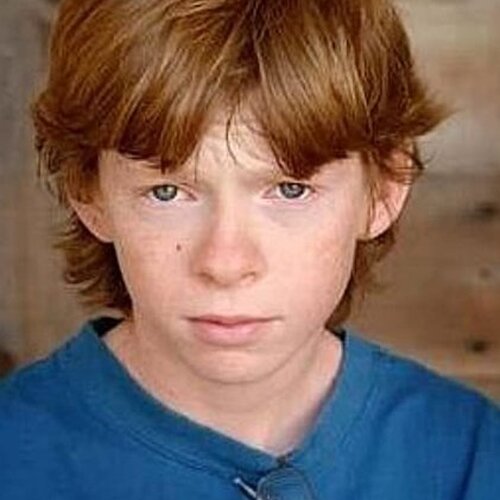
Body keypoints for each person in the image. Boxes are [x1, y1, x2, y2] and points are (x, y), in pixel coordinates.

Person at [1, 0, 499, 498]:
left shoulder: (472, 456)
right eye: (167, 192)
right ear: (88, 192)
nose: (226, 264)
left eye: (290, 190)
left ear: (384, 190)